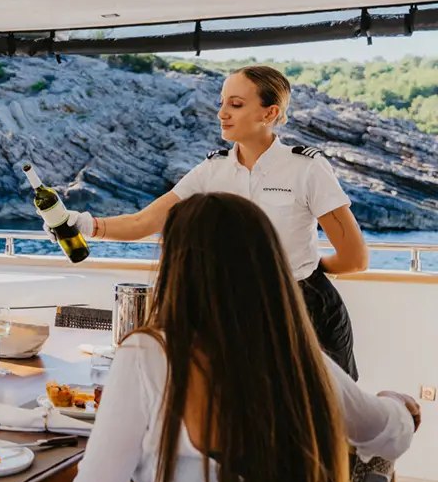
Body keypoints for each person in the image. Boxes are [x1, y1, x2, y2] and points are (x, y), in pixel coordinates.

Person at [0, 193, 419, 482]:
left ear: (178, 268)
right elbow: (391, 434)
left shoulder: (152, 353)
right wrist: (397, 405)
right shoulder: (300, 355)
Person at [49, 65, 368, 378]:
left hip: (305, 311)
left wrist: (304, 270)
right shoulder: (213, 170)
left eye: (236, 104)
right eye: (222, 102)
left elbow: (355, 258)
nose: (222, 113)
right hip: (238, 310)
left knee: (323, 407)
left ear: (270, 113)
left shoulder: (306, 168)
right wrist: (82, 224)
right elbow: (143, 221)